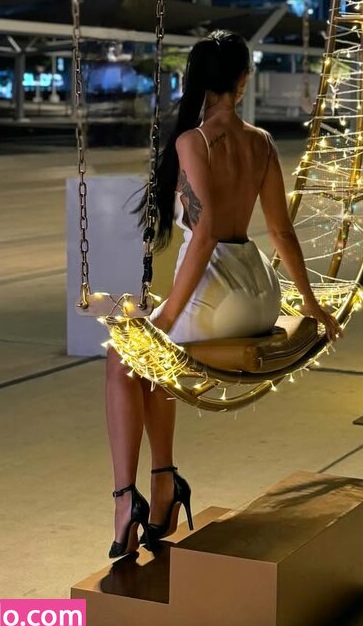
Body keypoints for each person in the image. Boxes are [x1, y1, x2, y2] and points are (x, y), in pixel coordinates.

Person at [105, 30, 341, 558]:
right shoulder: (261, 141)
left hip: (216, 293)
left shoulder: (194, 141)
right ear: (242, 81)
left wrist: (169, 316)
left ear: (196, 81)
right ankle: (163, 486)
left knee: (123, 357)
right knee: (154, 364)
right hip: (259, 291)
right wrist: (309, 302)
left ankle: (126, 501)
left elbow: (206, 232)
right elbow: (280, 230)